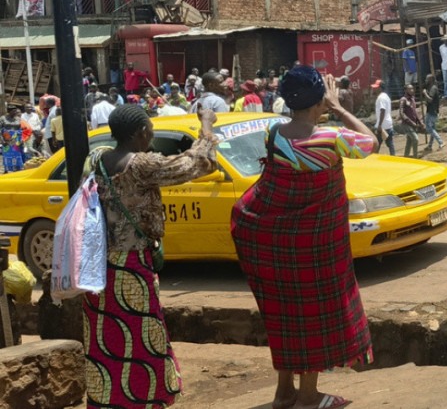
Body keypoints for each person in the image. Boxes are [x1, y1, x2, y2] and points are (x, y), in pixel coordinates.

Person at [231, 67, 374, 409]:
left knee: (286, 314)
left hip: (269, 239)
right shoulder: (330, 138)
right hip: (313, 245)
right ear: (319, 99)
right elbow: (372, 142)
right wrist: (338, 107)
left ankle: (284, 393)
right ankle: (308, 397)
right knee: (314, 312)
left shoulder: (273, 133)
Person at [82, 104, 217, 408]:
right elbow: (196, 166)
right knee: (142, 335)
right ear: (141, 132)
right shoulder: (140, 164)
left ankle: (108, 400)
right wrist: (206, 126)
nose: (153, 135)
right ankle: (144, 399)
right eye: (151, 130)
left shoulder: (97, 159)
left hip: (98, 267)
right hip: (131, 266)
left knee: (107, 338)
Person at [1, 106, 30, 173]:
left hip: (16, 141)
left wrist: (22, 139)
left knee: (17, 155)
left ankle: (17, 169)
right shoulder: (2, 119)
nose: (15, 112)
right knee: (7, 155)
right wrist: (2, 141)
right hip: (6, 140)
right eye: (14, 111)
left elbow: (21, 129)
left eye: (16, 111)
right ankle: (7, 169)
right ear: (9, 111)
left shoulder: (18, 119)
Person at [398, 84, 423, 158]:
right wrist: (411, 123)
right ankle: (415, 158)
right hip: (406, 124)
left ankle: (406, 158)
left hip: (413, 124)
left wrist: (420, 122)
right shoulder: (403, 100)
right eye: (410, 89)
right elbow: (401, 113)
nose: (412, 90)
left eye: (412, 89)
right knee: (415, 139)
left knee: (409, 142)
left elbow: (415, 112)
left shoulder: (412, 99)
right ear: (405, 90)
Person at [421, 74, 445, 151]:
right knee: (433, 129)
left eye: (427, 79)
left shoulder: (433, 88)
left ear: (431, 80)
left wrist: (424, 93)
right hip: (432, 110)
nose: (426, 80)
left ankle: (441, 142)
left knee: (429, 128)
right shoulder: (430, 88)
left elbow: (430, 99)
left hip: (431, 111)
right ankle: (430, 146)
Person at [372, 79, 395, 156]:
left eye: (376, 88)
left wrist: (379, 125)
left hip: (382, 126)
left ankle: (374, 161)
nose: (374, 89)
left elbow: (382, 110)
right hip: (388, 124)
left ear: (380, 88)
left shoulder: (380, 98)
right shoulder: (386, 96)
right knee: (390, 144)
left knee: (376, 145)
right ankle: (394, 159)